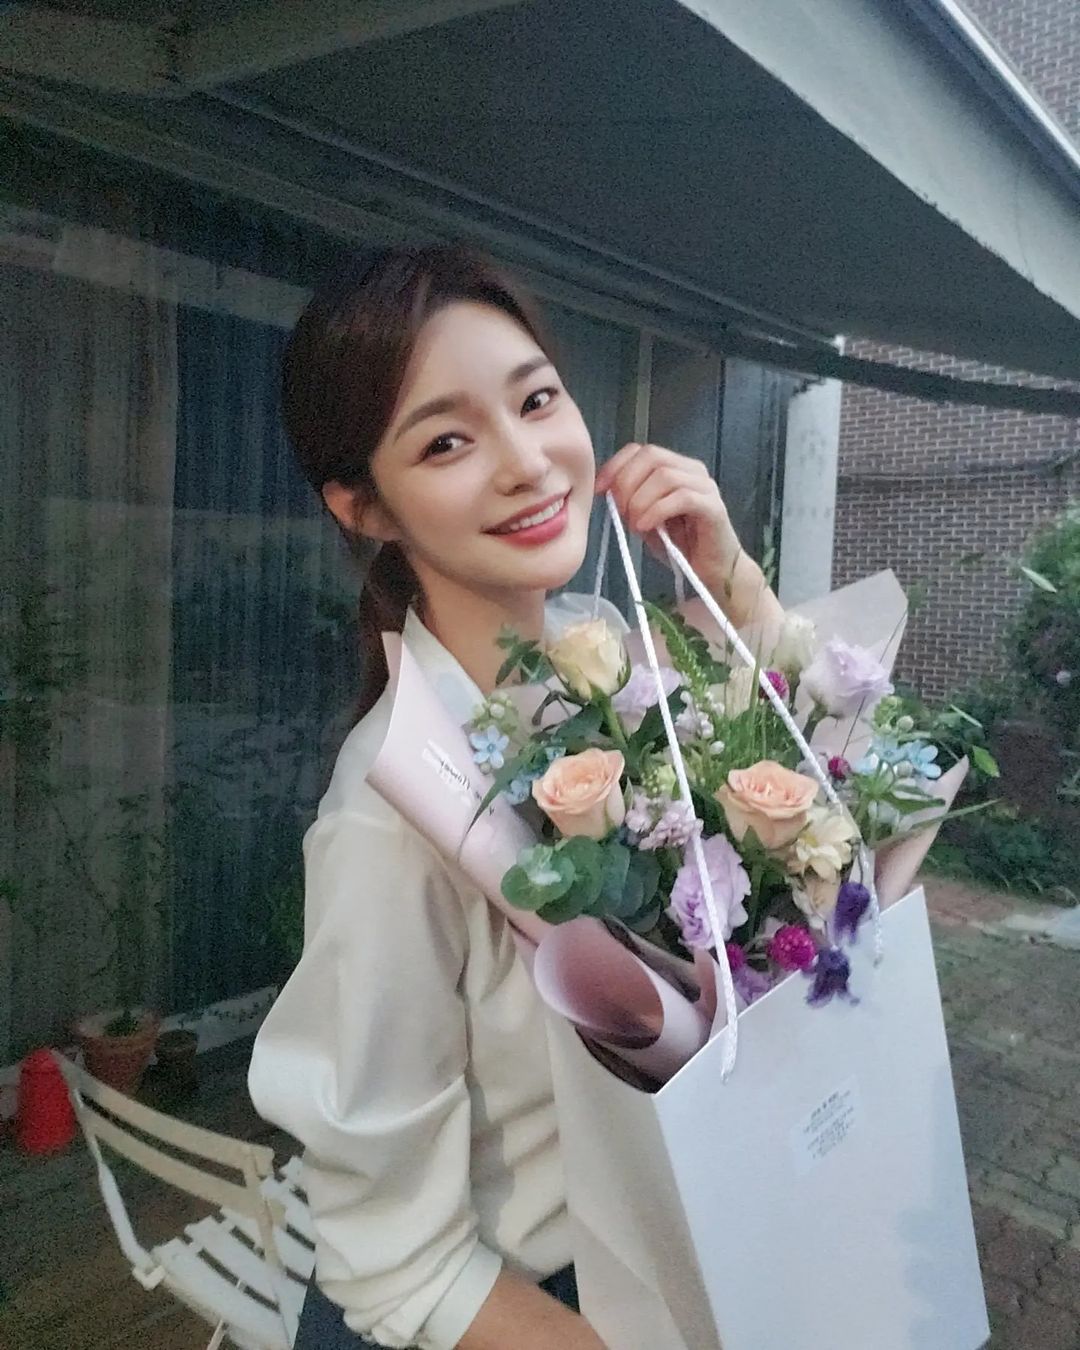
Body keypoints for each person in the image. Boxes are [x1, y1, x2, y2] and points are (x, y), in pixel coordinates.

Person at [247, 245, 784, 1350]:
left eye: (537, 400)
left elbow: (801, 786)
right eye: (445, 441)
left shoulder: (604, 649)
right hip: (523, 1307)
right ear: (363, 506)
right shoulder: (390, 818)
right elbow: (403, 1263)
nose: (528, 464)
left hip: (659, 1231)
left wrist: (728, 575)